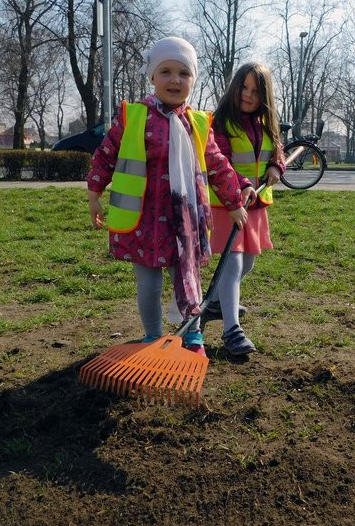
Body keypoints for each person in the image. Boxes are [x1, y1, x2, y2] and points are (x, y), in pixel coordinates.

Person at [86, 36, 250, 357]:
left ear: (193, 80)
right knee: (148, 284)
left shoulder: (198, 123)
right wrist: (94, 193)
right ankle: (152, 336)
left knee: (187, 278)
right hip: (142, 220)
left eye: (184, 73)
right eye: (166, 72)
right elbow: (105, 154)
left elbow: (218, 164)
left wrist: (233, 202)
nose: (175, 80)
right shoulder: (133, 116)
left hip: (183, 221)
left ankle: (192, 335)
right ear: (152, 76)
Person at [204, 62, 286, 355]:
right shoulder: (221, 123)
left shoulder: (266, 125)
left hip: (255, 205)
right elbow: (220, 161)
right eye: (244, 87)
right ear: (235, 87)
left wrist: (276, 166)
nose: (248, 95)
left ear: (265, 95)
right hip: (228, 203)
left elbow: (277, 150)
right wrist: (240, 185)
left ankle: (215, 302)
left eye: (255, 90)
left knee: (248, 263)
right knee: (234, 263)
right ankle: (232, 331)